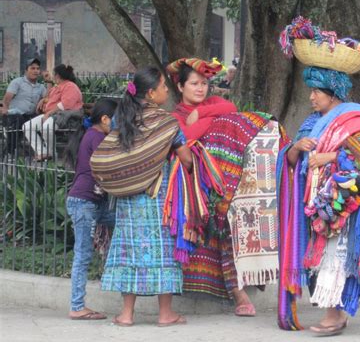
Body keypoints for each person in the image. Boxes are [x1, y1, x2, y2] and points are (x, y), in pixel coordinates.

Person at [276, 54, 360, 335]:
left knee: (335, 256)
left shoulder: (354, 118)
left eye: (316, 91)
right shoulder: (311, 123)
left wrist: (327, 156)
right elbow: (290, 161)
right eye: (311, 91)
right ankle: (335, 312)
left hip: (345, 202)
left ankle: (335, 315)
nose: (312, 97)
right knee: (323, 255)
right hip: (317, 202)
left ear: (333, 93)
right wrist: (296, 148)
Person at [167, 58, 289, 317]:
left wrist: (202, 114)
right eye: (194, 84)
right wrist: (209, 121)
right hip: (196, 181)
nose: (200, 89)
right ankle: (238, 294)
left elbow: (229, 106)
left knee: (235, 218)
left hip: (229, 178)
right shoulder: (175, 117)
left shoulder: (210, 105)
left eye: (204, 84)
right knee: (222, 219)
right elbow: (187, 137)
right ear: (180, 87)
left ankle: (244, 288)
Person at [99, 67, 192, 327]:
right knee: (162, 250)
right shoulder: (166, 122)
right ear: (151, 93)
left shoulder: (121, 119)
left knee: (129, 251)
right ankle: (165, 314)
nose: (166, 91)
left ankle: (126, 315)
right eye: (163, 87)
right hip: (158, 196)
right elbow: (185, 157)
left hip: (128, 198)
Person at [64, 98, 118, 321]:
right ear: (105, 119)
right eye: (117, 120)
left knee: (123, 220)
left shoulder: (97, 135)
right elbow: (109, 165)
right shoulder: (96, 137)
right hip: (84, 203)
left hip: (93, 203)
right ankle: (77, 306)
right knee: (83, 254)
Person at [23, 64, 83, 161]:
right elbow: (50, 97)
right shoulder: (57, 87)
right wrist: (44, 100)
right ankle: (42, 152)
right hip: (53, 115)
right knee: (27, 127)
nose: (53, 76)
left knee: (46, 127)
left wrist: (49, 113)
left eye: (54, 74)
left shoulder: (71, 86)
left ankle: (51, 153)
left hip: (67, 116)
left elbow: (65, 104)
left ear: (58, 76)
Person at [1, 58, 47, 156]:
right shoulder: (17, 82)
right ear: (26, 70)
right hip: (14, 115)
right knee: (18, 119)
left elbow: (49, 97)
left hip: (30, 115)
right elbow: (6, 99)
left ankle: (42, 152)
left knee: (43, 120)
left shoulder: (41, 87)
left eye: (37, 69)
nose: (35, 71)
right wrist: (4, 112)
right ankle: (9, 151)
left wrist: (49, 81)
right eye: (32, 68)